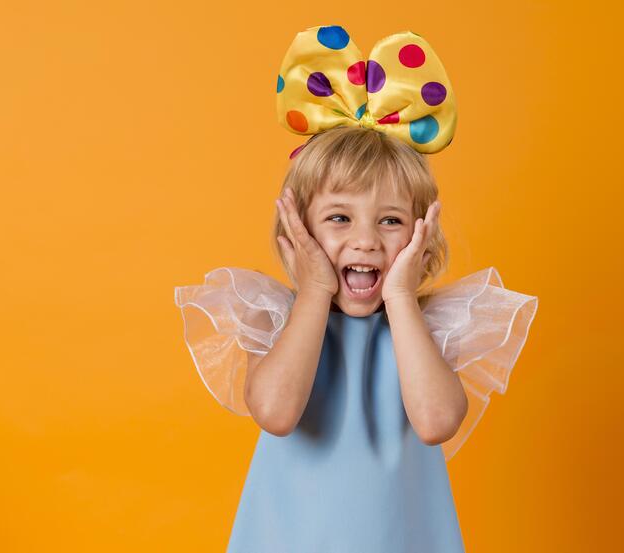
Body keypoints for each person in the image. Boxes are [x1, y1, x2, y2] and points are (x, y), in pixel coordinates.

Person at [173, 24, 539, 553]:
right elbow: (276, 413)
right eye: (339, 218)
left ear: (420, 234)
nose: (365, 240)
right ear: (298, 230)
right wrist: (315, 291)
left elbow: (437, 421)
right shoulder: (271, 317)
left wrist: (400, 299)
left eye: (390, 221)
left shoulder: (428, 327)